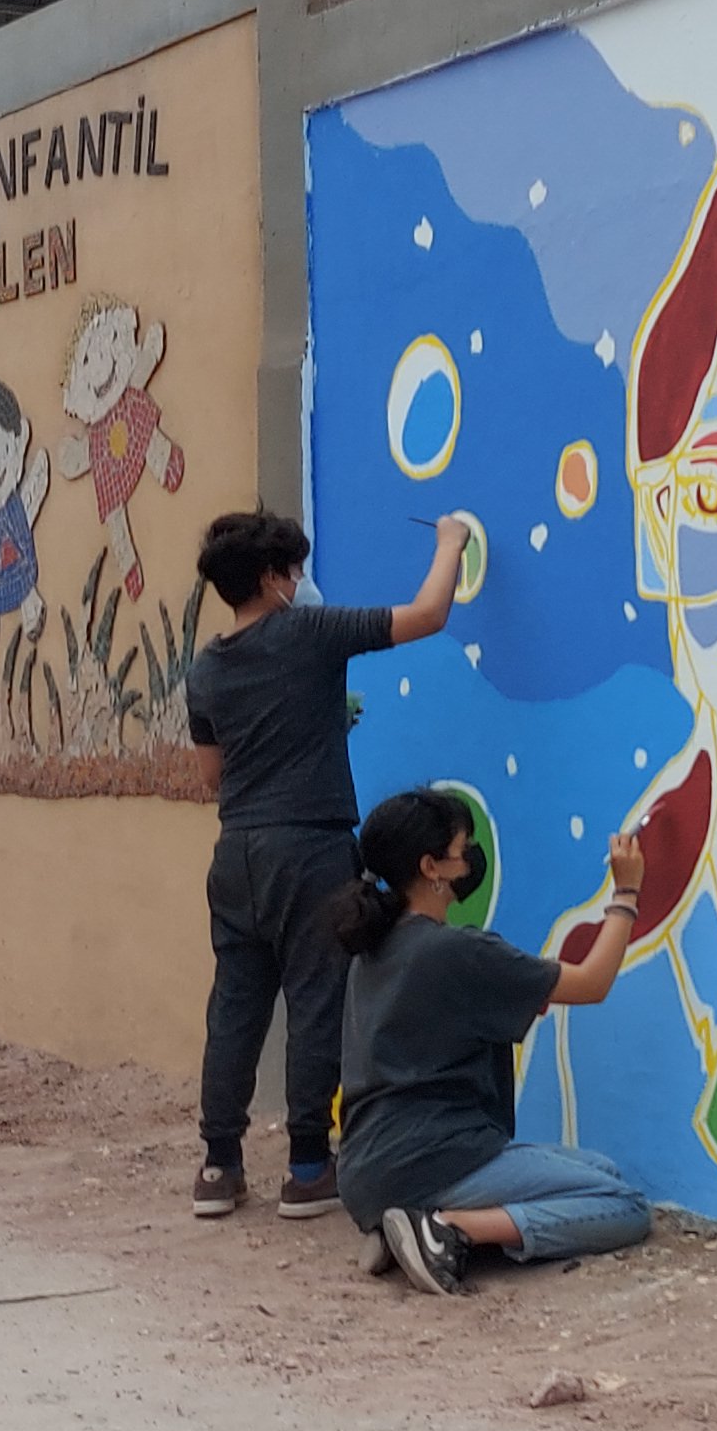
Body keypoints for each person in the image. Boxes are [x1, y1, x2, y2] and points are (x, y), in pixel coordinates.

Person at [181, 507, 467, 1219]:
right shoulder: (307, 632)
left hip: (236, 853)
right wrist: (451, 541)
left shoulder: (206, 669)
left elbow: (211, 776)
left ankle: (219, 1166)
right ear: (274, 578)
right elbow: (428, 614)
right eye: (296, 571)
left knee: (236, 1009)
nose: (303, 582)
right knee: (316, 1003)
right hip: (306, 848)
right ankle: (309, 1166)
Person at [335, 786, 655, 1295]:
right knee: (625, 1206)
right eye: (463, 850)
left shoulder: (374, 949)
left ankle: (401, 1225)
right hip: (434, 1157)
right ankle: (448, 1229)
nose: (471, 860)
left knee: (601, 1169)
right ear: (431, 867)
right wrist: (627, 893)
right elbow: (592, 983)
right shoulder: (457, 951)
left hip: (366, 1168)